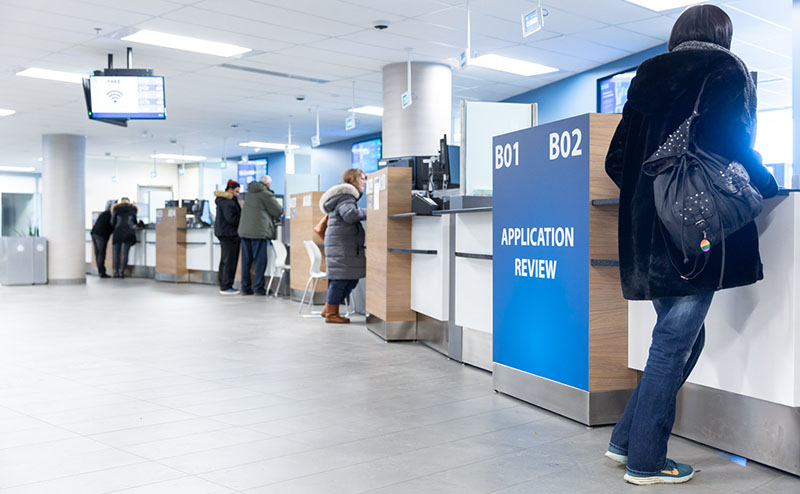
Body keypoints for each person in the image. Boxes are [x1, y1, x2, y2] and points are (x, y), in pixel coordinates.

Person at [603, 5, 778, 486]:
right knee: (674, 342)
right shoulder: (727, 69)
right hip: (694, 233)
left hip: (648, 237)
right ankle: (646, 462)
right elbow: (737, 146)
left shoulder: (646, 74)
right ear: (722, 33)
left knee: (680, 338)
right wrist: (766, 184)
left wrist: (653, 198)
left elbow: (617, 160)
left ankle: (624, 440)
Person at [319, 169, 367, 323]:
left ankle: (328, 308)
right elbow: (350, 215)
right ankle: (331, 314)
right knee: (340, 280)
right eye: (363, 179)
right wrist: (371, 211)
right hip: (342, 245)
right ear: (354, 180)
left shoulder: (342, 196)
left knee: (349, 278)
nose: (365, 182)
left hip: (340, 243)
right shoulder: (347, 196)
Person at [237, 175, 283, 296]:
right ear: (268, 184)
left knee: (246, 261)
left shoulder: (249, 193)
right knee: (259, 261)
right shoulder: (265, 194)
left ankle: (245, 288)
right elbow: (277, 210)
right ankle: (258, 287)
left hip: (245, 231)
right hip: (258, 231)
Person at [215, 180, 242, 295]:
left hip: (225, 234)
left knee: (225, 260)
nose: (238, 194)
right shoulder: (227, 202)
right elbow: (231, 219)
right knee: (230, 260)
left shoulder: (224, 201)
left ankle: (224, 283)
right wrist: (242, 219)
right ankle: (226, 286)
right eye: (236, 191)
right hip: (229, 234)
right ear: (230, 189)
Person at [110, 197, 139, 279]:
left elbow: (112, 222)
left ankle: (115, 272)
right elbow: (135, 222)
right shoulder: (133, 209)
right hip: (128, 232)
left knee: (116, 253)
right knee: (125, 253)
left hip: (118, 232)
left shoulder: (116, 208)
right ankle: (122, 272)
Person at [90, 201, 114, 278]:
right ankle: (102, 272)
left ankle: (101, 271)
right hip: (101, 235)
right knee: (101, 253)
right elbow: (113, 225)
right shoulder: (111, 215)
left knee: (98, 253)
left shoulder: (104, 213)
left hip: (95, 233)